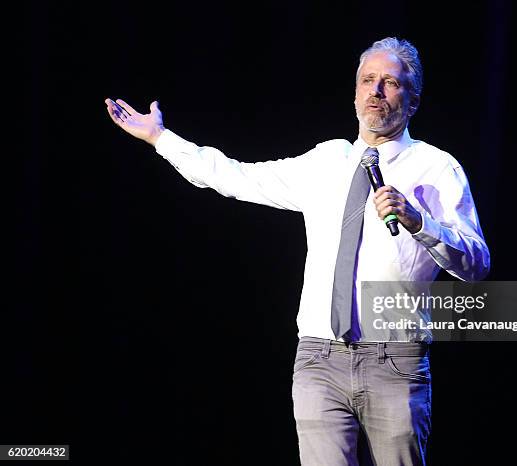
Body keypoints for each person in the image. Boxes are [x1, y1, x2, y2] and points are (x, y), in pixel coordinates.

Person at [105, 37, 490, 466]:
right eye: (367, 80)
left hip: (394, 361)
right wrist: (161, 138)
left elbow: (475, 264)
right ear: (356, 91)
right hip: (318, 359)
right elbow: (235, 177)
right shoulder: (326, 161)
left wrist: (421, 222)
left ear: (413, 100)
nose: (376, 91)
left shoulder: (436, 168)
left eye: (389, 83)